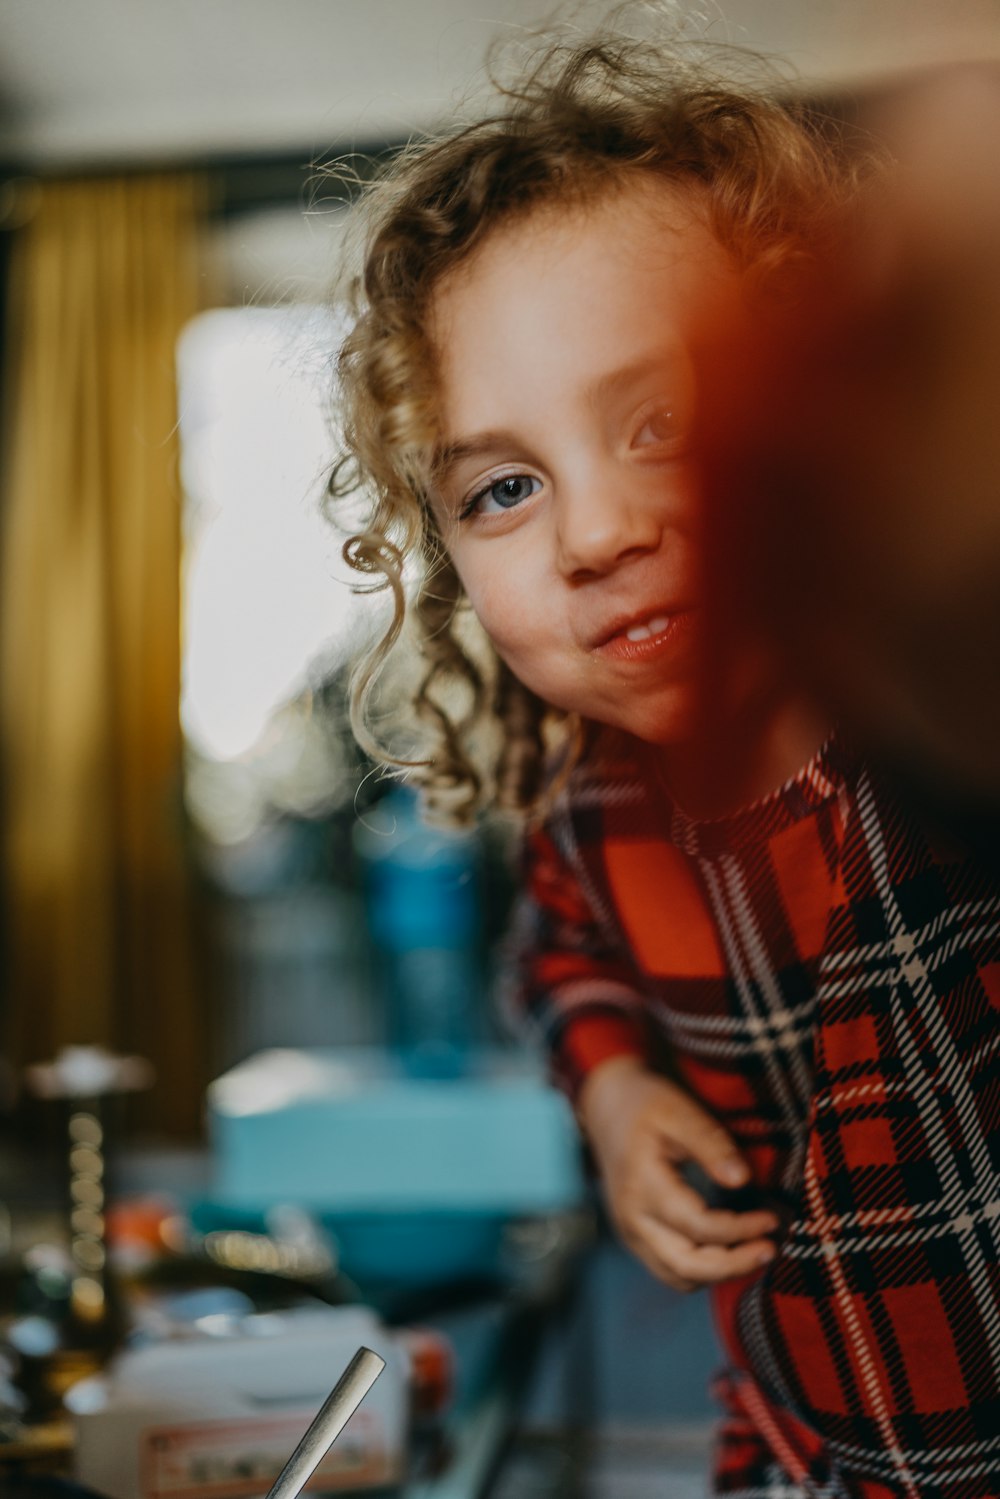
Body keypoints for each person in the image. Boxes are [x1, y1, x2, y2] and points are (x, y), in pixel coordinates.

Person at [330, 22, 1000, 1498]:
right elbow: (555, 961)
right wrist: (616, 1086)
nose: (595, 531)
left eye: (665, 424)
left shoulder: (940, 743)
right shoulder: (591, 803)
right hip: (796, 1460)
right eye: (505, 488)